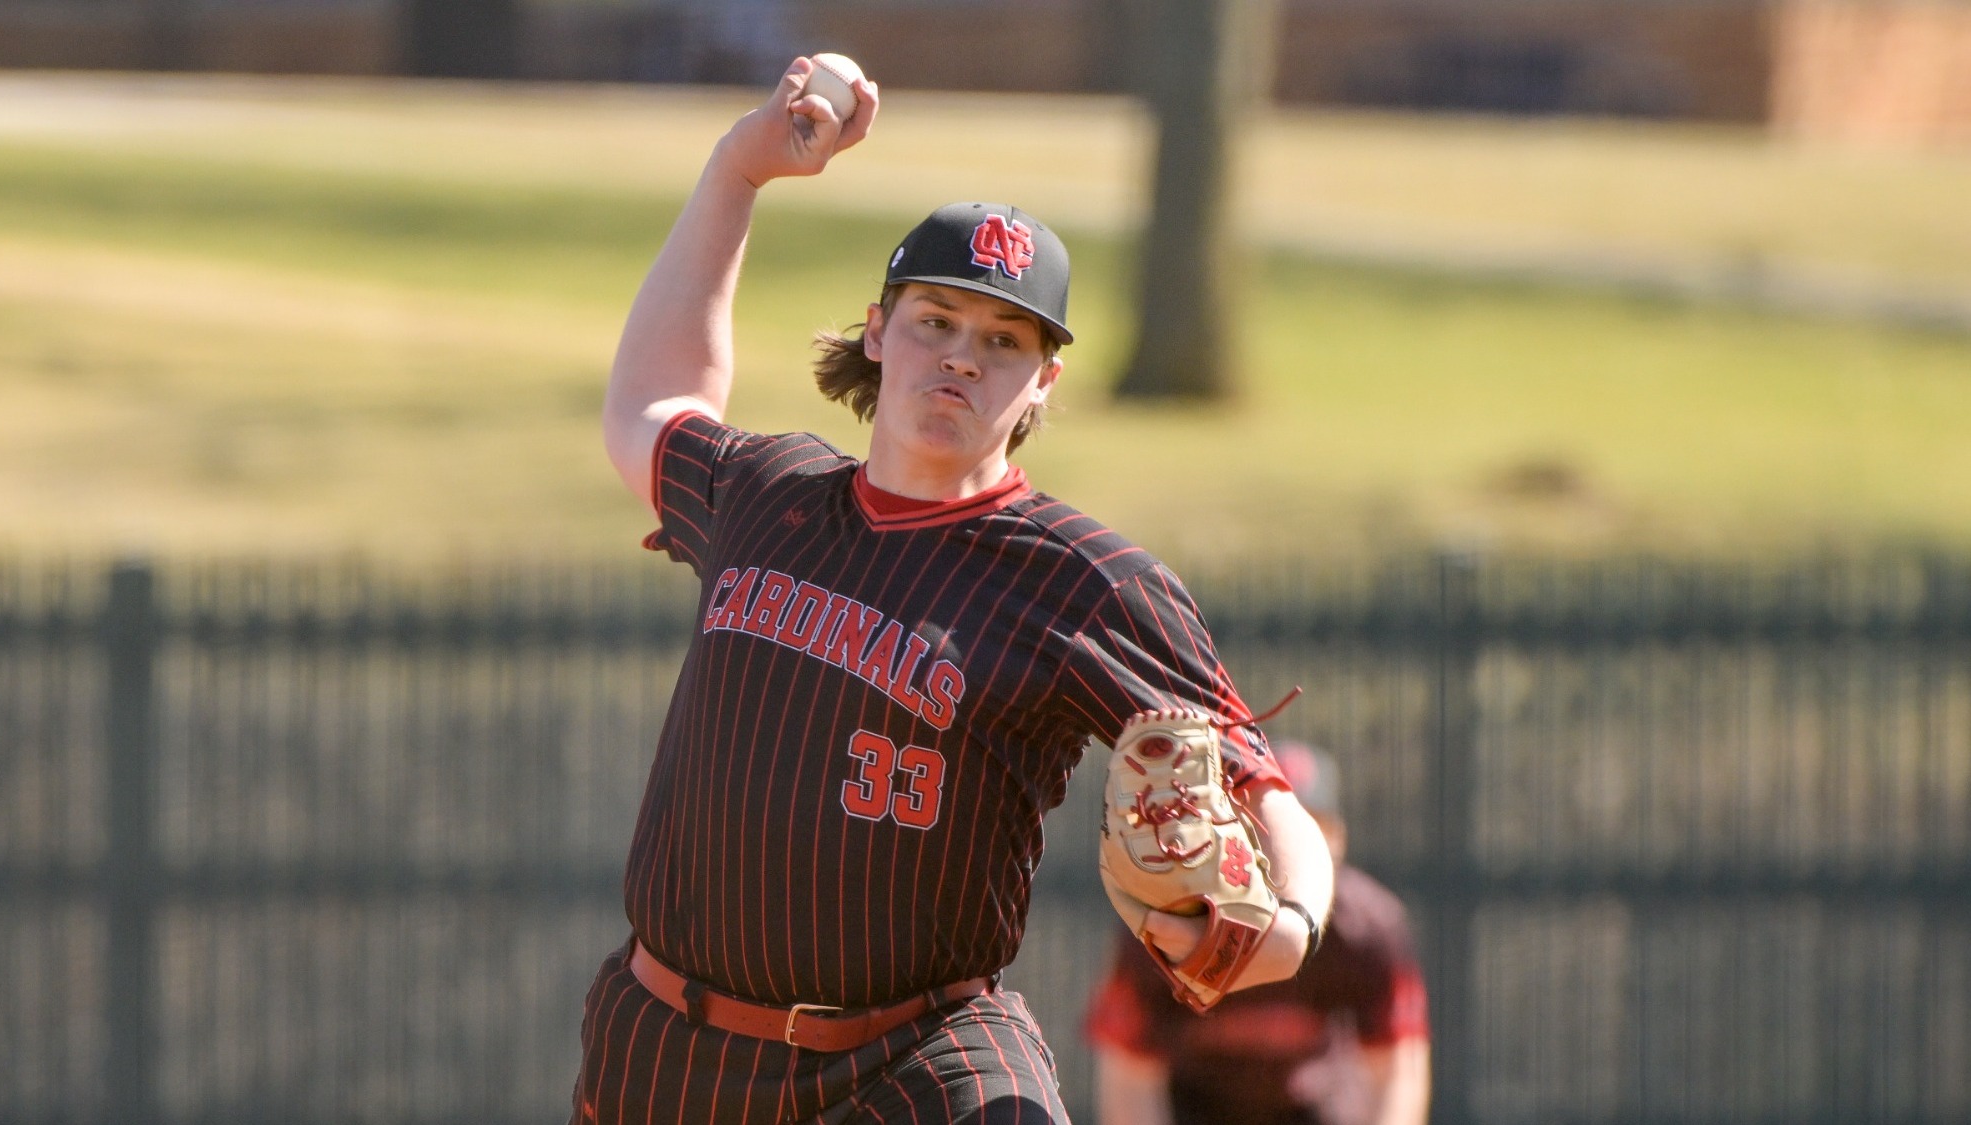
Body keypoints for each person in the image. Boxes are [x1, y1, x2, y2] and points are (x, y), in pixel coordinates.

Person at [569, 56, 1335, 1125]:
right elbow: (650, 401)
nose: (962, 359)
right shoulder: (765, 494)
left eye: (1004, 340)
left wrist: (1290, 921)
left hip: (916, 1061)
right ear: (878, 332)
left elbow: (1262, 788)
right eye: (935, 320)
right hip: (672, 1051)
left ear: (1043, 382)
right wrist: (736, 172)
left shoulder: (1083, 582)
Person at [1086, 745, 1432, 1125]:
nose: (1284, 850)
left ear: (1336, 839)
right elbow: (1129, 1076)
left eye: (1305, 831)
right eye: (1262, 829)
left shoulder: (1368, 926)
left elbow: (1399, 1071)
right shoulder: (1169, 920)